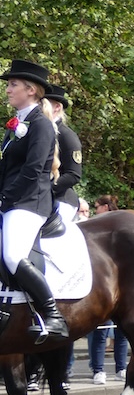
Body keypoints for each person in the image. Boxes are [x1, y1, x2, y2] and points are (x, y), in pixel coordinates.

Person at [0, 59, 68, 340]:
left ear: (30, 90)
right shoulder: (16, 125)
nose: (7, 90)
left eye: (12, 85)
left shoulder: (40, 125)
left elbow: (33, 170)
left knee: (13, 254)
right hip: (13, 200)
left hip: (30, 202)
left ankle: (53, 315)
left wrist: (4, 198)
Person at [88, 195, 129, 383]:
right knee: (101, 331)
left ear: (105, 207)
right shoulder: (96, 226)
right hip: (104, 283)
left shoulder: (119, 224)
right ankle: (98, 369)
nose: (95, 210)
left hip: (119, 282)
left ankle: (121, 367)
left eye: (96, 206)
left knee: (121, 332)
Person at [44, 84, 82, 225]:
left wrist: (44, 189)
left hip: (61, 199)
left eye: (44, 104)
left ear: (57, 108)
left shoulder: (67, 136)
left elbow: (73, 174)